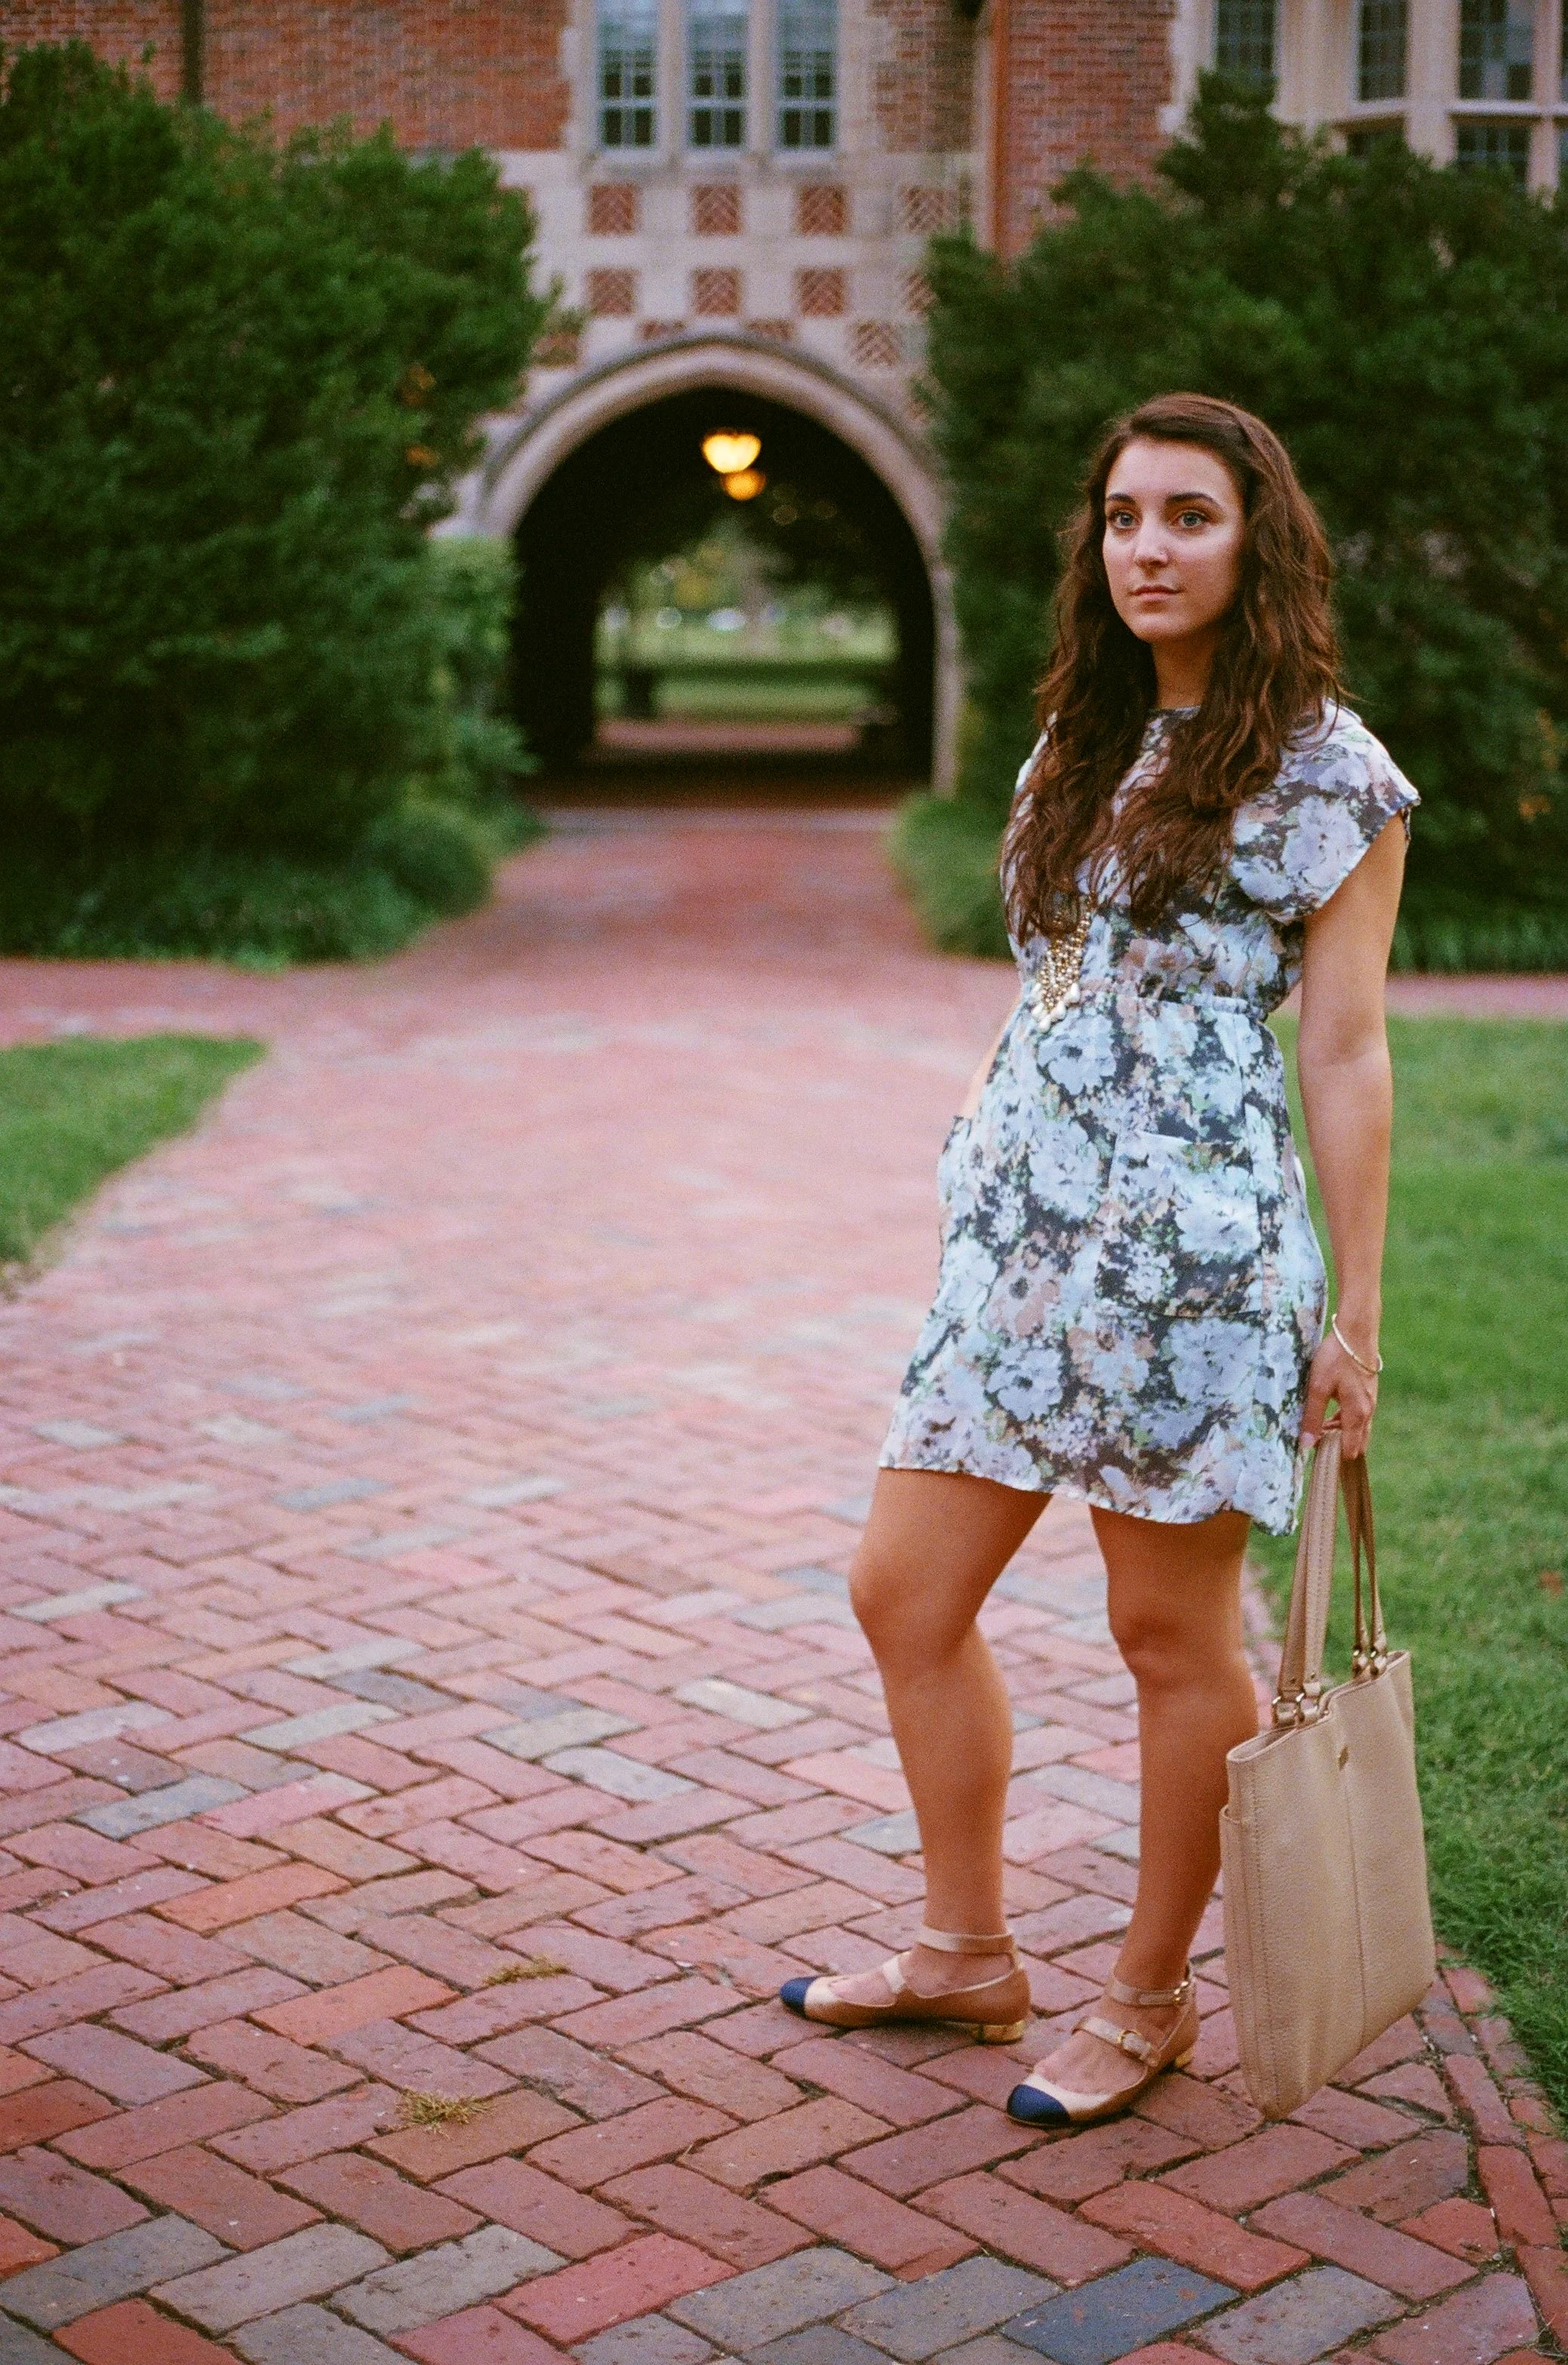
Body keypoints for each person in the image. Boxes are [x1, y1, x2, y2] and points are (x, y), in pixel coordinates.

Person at [777, 393, 1416, 2127]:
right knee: (900, 1589)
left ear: (1254, 540)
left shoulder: (1333, 773)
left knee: (1164, 1628)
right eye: (1123, 515)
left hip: (1192, 1259)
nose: (1146, 545)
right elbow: (1052, 979)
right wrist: (981, 1144)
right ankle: (965, 1952)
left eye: (1187, 516)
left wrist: (1350, 1315)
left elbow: (1344, 1052)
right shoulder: (1075, 733)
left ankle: (1146, 1997)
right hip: (1016, 1248)